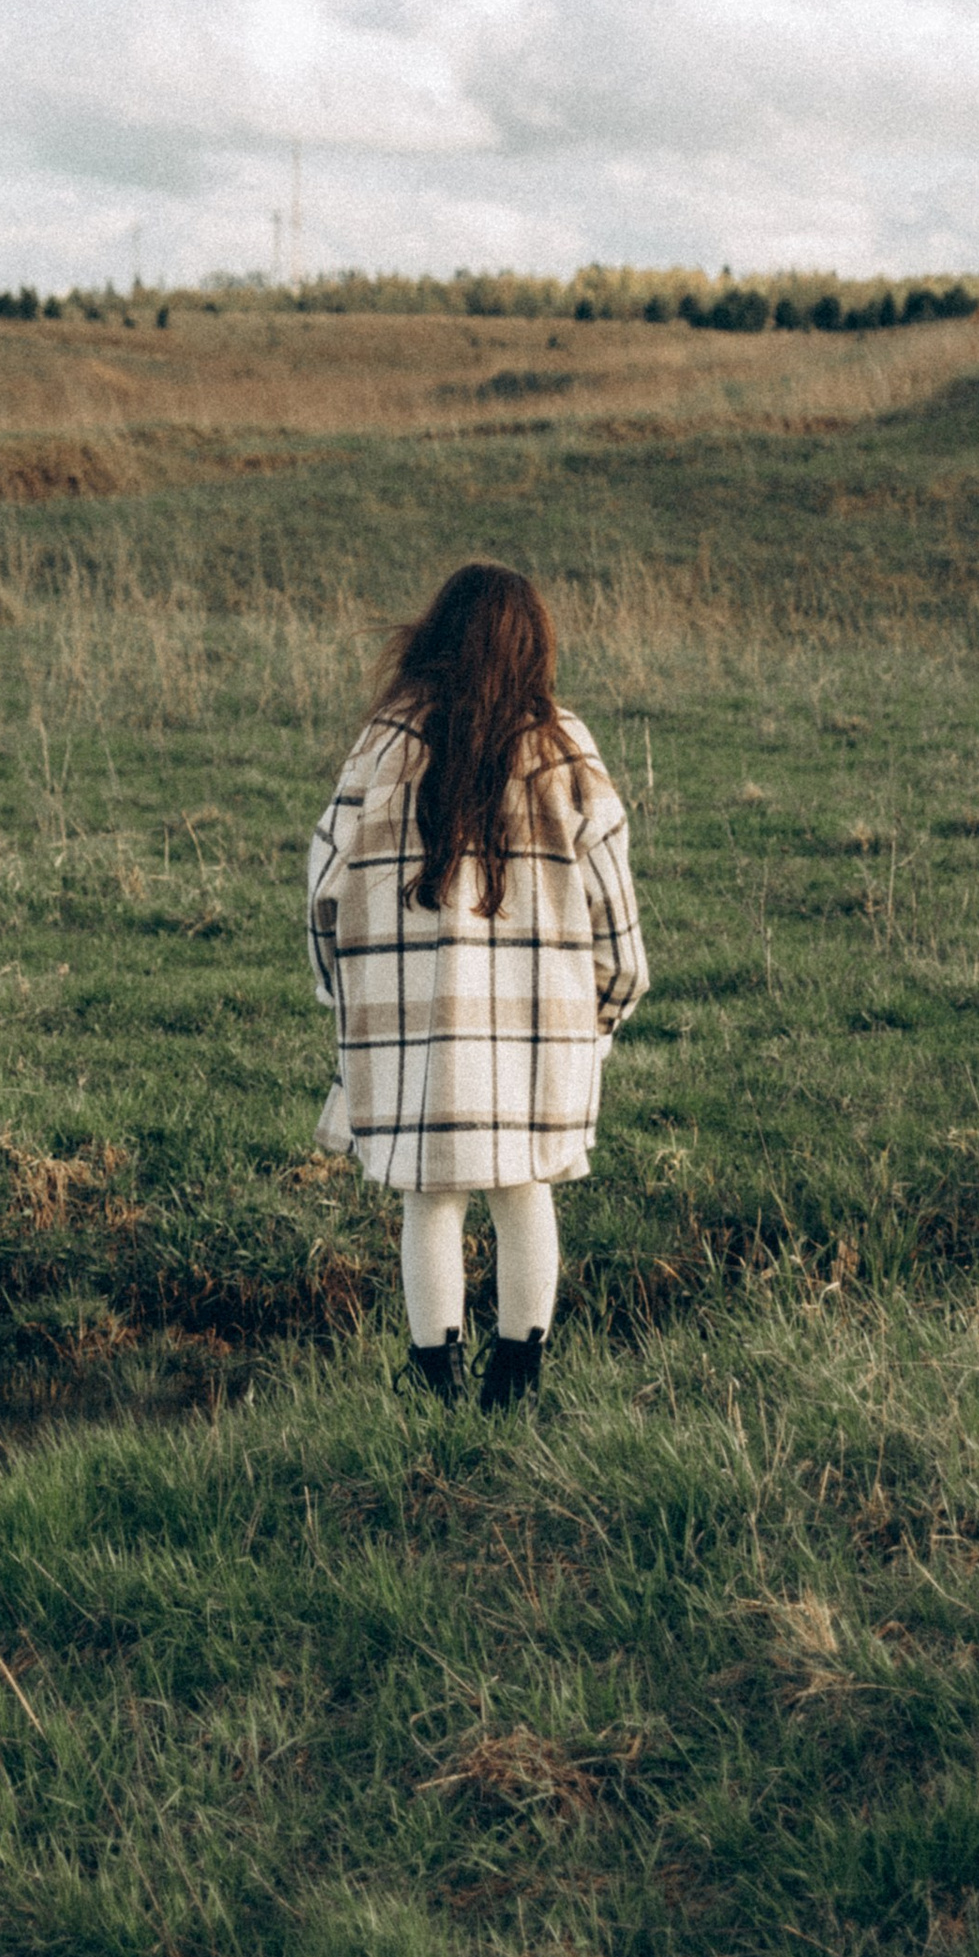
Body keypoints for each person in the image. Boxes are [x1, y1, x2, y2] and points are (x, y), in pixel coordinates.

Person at [307, 562, 648, 1409]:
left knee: (430, 1195)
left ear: (437, 635)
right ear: (534, 646)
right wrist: (601, 1017)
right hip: (543, 1026)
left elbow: (324, 887)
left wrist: (345, 1005)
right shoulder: (564, 746)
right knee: (524, 1188)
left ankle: (434, 1385)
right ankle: (516, 1381)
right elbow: (617, 916)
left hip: (408, 1024)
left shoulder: (387, 742)